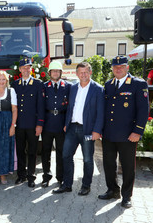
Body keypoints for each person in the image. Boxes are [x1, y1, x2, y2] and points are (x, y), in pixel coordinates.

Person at [98, 56, 149, 208]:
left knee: (127, 166)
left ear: (127, 68)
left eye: (121, 66)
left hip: (128, 135)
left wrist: (137, 131)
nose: (118, 69)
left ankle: (126, 196)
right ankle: (112, 190)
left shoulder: (138, 84)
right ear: (112, 69)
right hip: (108, 134)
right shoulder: (108, 84)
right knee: (108, 164)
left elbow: (143, 110)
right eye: (115, 67)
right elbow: (106, 110)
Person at [53, 62, 104, 196]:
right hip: (71, 128)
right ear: (76, 74)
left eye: (86, 72)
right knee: (66, 155)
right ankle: (67, 184)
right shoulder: (74, 88)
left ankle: (86, 186)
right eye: (80, 72)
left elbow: (101, 112)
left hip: (88, 130)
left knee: (87, 158)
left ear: (90, 72)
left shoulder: (98, 89)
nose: (83, 75)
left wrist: (97, 131)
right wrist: (66, 123)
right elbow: (70, 107)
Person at [11, 57, 45, 188]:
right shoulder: (15, 85)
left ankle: (31, 176)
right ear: (19, 69)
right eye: (23, 67)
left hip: (32, 125)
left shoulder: (38, 84)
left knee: (32, 151)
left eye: (28, 67)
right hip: (19, 125)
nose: (26, 70)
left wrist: (40, 124)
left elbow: (41, 106)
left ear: (31, 69)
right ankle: (21, 175)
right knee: (20, 151)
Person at [41, 61, 71, 188]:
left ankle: (60, 177)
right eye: (53, 71)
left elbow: (70, 106)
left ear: (60, 73)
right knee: (45, 151)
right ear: (49, 73)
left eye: (57, 71)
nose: (55, 73)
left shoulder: (68, 86)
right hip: (47, 123)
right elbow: (40, 106)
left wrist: (67, 123)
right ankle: (46, 177)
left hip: (61, 123)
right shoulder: (44, 86)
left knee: (61, 152)